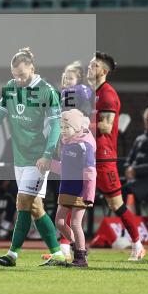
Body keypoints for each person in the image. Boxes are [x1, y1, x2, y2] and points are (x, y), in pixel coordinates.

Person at [0, 47, 65, 266]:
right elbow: (0, 114)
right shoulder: (10, 88)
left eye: (22, 74)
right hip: (20, 157)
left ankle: (12, 254)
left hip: (38, 159)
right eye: (14, 74)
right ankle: (58, 254)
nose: (18, 79)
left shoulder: (47, 91)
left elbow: (55, 127)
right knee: (35, 207)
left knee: (22, 202)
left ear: (32, 69)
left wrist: (47, 155)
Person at [88, 52, 147, 261]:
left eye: (94, 65)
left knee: (116, 205)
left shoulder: (107, 94)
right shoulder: (87, 93)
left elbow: (106, 126)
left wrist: (79, 125)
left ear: (103, 71)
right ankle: (64, 250)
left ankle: (138, 245)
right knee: (71, 200)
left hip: (103, 157)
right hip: (85, 154)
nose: (89, 67)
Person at [50, 108, 96, 268]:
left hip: (80, 190)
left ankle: (81, 258)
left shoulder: (85, 146)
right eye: (61, 127)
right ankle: (78, 246)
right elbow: (64, 168)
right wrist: (49, 165)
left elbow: (90, 172)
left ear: (76, 128)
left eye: (66, 127)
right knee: (60, 222)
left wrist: (89, 194)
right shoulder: (67, 145)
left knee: (76, 223)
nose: (63, 131)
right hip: (66, 188)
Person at [124, 106, 148, 215]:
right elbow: (129, 160)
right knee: (115, 189)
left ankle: (135, 221)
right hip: (134, 179)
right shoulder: (139, 139)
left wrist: (135, 170)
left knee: (127, 190)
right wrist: (128, 169)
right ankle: (130, 221)